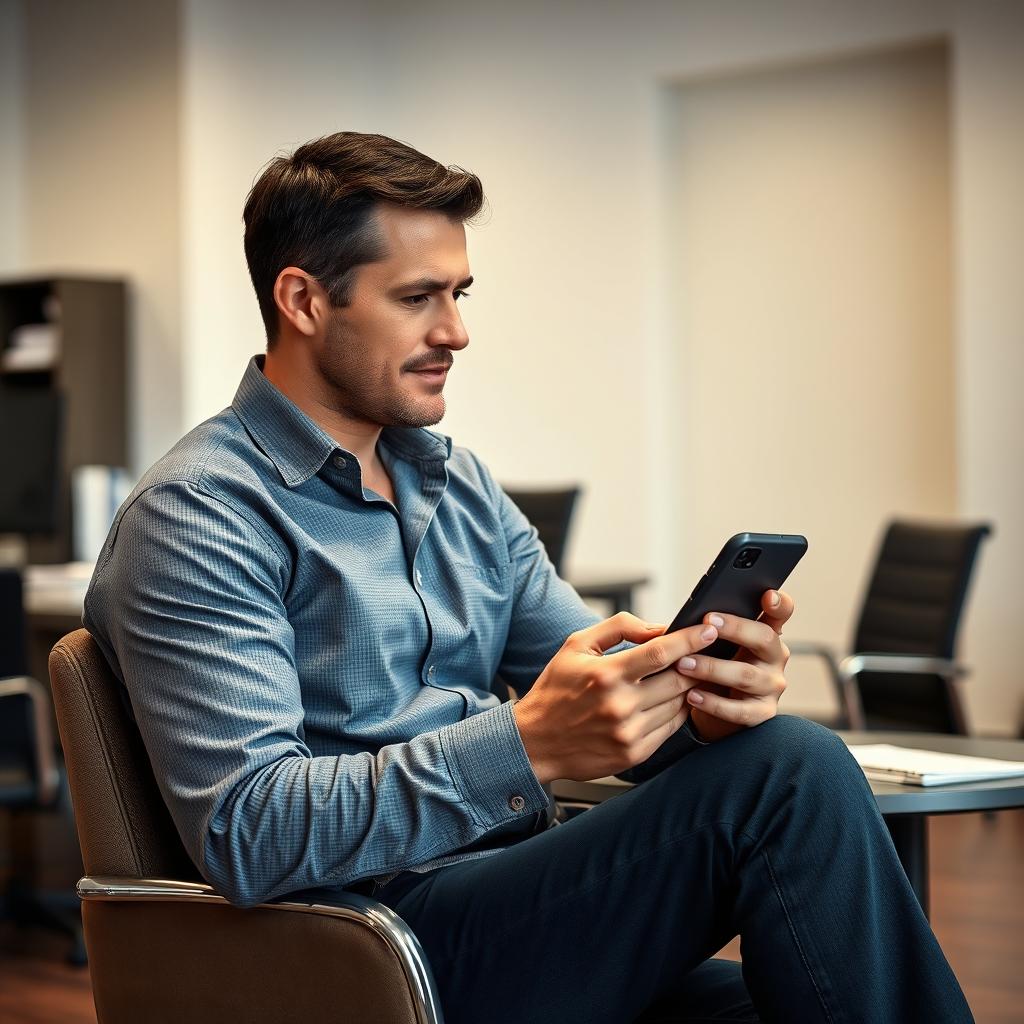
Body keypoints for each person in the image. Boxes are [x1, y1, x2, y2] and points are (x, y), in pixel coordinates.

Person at [84, 131, 973, 1023]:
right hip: (363, 948)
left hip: (515, 902)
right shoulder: (199, 514)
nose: (456, 332)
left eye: (459, 294)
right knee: (792, 772)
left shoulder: (453, 482)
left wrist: (700, 702)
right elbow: (251, 831)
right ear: (304, 300)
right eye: (418, 298)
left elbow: (595, 683)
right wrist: (530, 743)